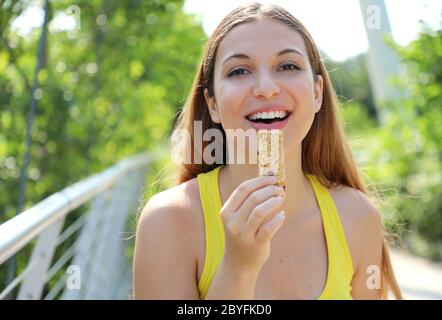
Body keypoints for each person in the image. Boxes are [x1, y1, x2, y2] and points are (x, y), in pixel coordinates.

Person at [133, 2, 402, 300]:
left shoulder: (359, 216)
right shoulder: (168, 223)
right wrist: (239, 266)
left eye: (287, 66)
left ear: (316, 93)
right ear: (213, 104)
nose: (265, 87)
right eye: (239, 71)